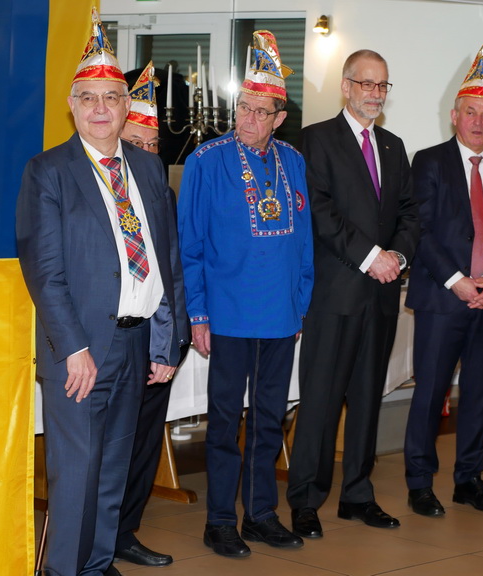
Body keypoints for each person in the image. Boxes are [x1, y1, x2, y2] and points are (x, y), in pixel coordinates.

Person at [16, 10, 188, 576]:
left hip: (136, 346)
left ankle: (94, 566)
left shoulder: (148, 169)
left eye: (111, 98)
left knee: (113, 472)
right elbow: (45, 272)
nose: (99, 109)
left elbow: (165, 262)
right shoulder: (48, 172)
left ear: (125, 106)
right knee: (77, 475)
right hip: (81, 352)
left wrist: (166, 341)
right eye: (88, 98)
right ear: (72, 106)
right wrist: (73, 347)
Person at [178, 30, 314, 557]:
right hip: (228, 316)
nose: (248, 119)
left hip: (281, 316)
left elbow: (305, 243)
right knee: (223, 423)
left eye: (260, 111)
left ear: (279, 118)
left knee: (268, 419)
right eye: (243, 108)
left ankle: (260, 514)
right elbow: (191, 246)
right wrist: (198, 313)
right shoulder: (206, 161)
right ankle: (219, 520)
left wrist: (300, 303)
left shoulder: (293, 161)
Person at [285, 49, 419, 537]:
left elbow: (410, 213)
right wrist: (371, 257)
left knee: (366, 400)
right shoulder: (315, 140)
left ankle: (358, 494)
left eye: (382, 85)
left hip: (381, 297)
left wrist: (397, 256)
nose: (375, 94)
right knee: (320, 401)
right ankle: (305, 499)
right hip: (334, 295)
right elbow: (319, 211)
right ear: (346, 87)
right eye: (366, 84)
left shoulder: (393, 146)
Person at [402, 42, 483, 518]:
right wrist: (457, 280)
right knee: (431, 394)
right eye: (470, 112)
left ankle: (469, 479)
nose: (478, 121)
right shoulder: (429, 161)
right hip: (443, 299)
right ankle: (419, 482)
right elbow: (421, 230)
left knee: (478, 395)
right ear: (453, 116)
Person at [110, 61, 180, 568]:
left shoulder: (163, 192)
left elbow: (173, 269)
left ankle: (126, 531)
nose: (146, 153)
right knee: (111, 446)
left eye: (154, 145)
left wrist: (172, 338)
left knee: (144, 444)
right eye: (137, 142)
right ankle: (96, 539)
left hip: (159, 340)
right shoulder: (99, 190)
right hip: (115, 338)